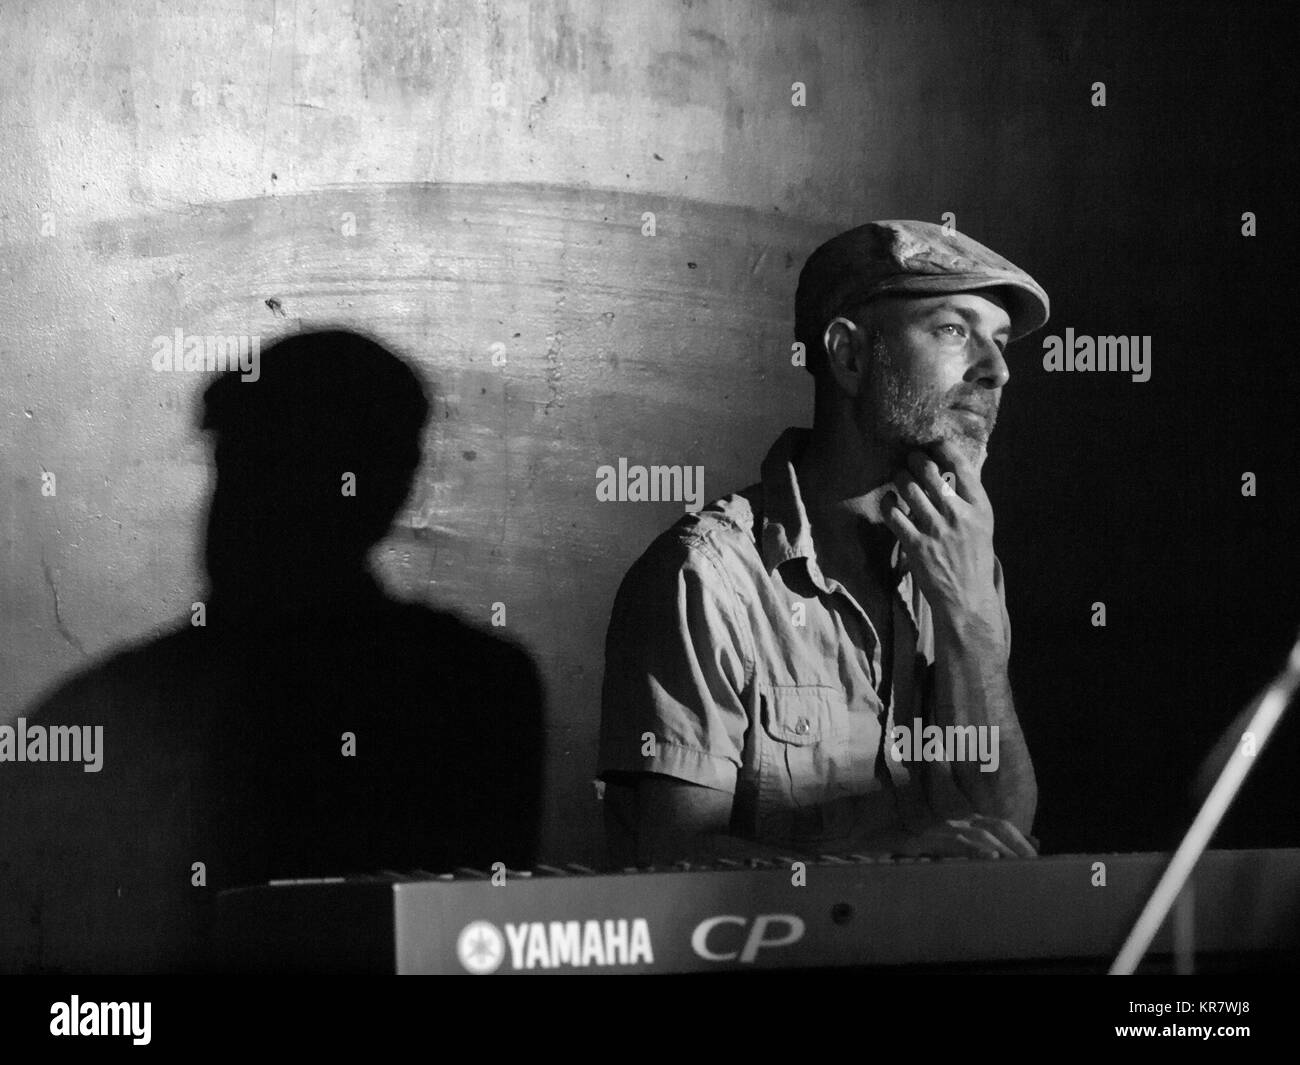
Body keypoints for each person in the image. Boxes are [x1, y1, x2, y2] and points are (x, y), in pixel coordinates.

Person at [0, 330, 546, 972]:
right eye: (238, 467)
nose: (236, 507)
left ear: (381, 492)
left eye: (271, 470)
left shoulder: (108, 710)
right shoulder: (475, 688)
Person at [598, 221, 1047, 867]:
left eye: (1001, 342)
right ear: (850, 355)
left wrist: (969, 612)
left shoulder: (965, 562)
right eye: (954, 330)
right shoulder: (706, 574)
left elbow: (1005, 836)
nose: (997, 369)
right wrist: (889, 870)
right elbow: (674, 865)